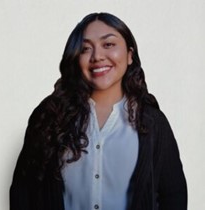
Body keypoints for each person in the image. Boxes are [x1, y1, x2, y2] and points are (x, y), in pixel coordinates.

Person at [10, 12, 187, 210]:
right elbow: (22, 193)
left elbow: (174, 196)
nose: (97, 56)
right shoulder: (50, 115)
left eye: (108, 45)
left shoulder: (154, 123)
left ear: (130, 55)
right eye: (85, 48)